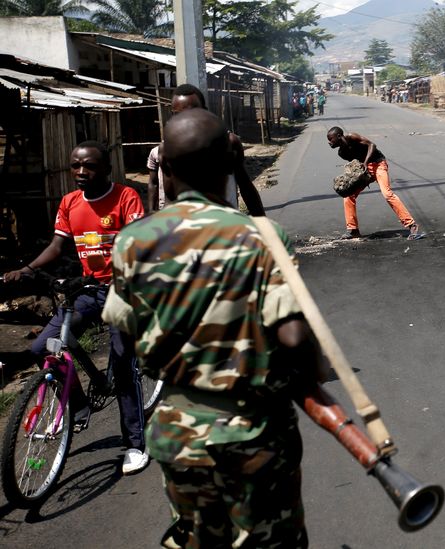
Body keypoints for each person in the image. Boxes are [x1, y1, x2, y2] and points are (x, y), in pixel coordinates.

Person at [103, 109, 328, 548]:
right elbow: (294, 339)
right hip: (254, 434)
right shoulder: (263, 237)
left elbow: (125, 332)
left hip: (177, 435)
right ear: (228, 165)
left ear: (164, 168)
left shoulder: (133, 241)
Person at [4, 141, 149, 475]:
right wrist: (26, 270)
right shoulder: (70, 203)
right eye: (76, 166)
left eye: (90, 166)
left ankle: (135, 444)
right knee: (44, 346)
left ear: (106, 169)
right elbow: (57, 246)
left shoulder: (126, 197)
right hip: (87, 290)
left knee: (124, 366)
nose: (81, 172)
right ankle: (79, 404)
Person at [147, 84, 266, 215]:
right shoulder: (167, 148)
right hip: (182, 225)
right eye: (179, 115)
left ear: (205, 110)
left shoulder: (227, 142)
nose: (186, 119)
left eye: (193, 112)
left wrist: (262, 221)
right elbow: (168, 196)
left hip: (225, 222)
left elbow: (245, 185)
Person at [327, 126, 422, 240]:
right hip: (365, 170)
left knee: (387, 194)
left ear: (338, 136)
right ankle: (353, 230)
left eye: (330, 139)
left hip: (378, 164)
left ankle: (412, 225)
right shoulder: (342, 153)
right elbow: (355, 164)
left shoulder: (352, 137)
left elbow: (372, 145)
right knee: (348, 196)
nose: (329, 142)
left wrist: (366, 162)